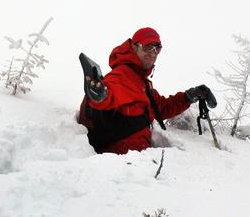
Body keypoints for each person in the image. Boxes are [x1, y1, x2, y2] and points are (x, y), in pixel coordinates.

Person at [78, 27, 217, 154]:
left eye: (157, 49)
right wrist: (100, 96)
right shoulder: (122, 74)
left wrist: (190, 96)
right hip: (122, 166)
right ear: (134, 47)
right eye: (147, 47)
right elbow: (108, 94)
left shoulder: (142, 82)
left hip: (140, 163)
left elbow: (161, 108)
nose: (153, 53)